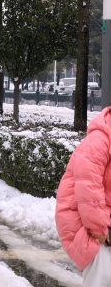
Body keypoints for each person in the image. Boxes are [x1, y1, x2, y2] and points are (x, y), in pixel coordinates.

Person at [55, 106, 111, 286]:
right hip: (83, 221)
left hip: (102, 219)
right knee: (102, 278)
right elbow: (88, 188)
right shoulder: (99, 140)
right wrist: (99, 229)